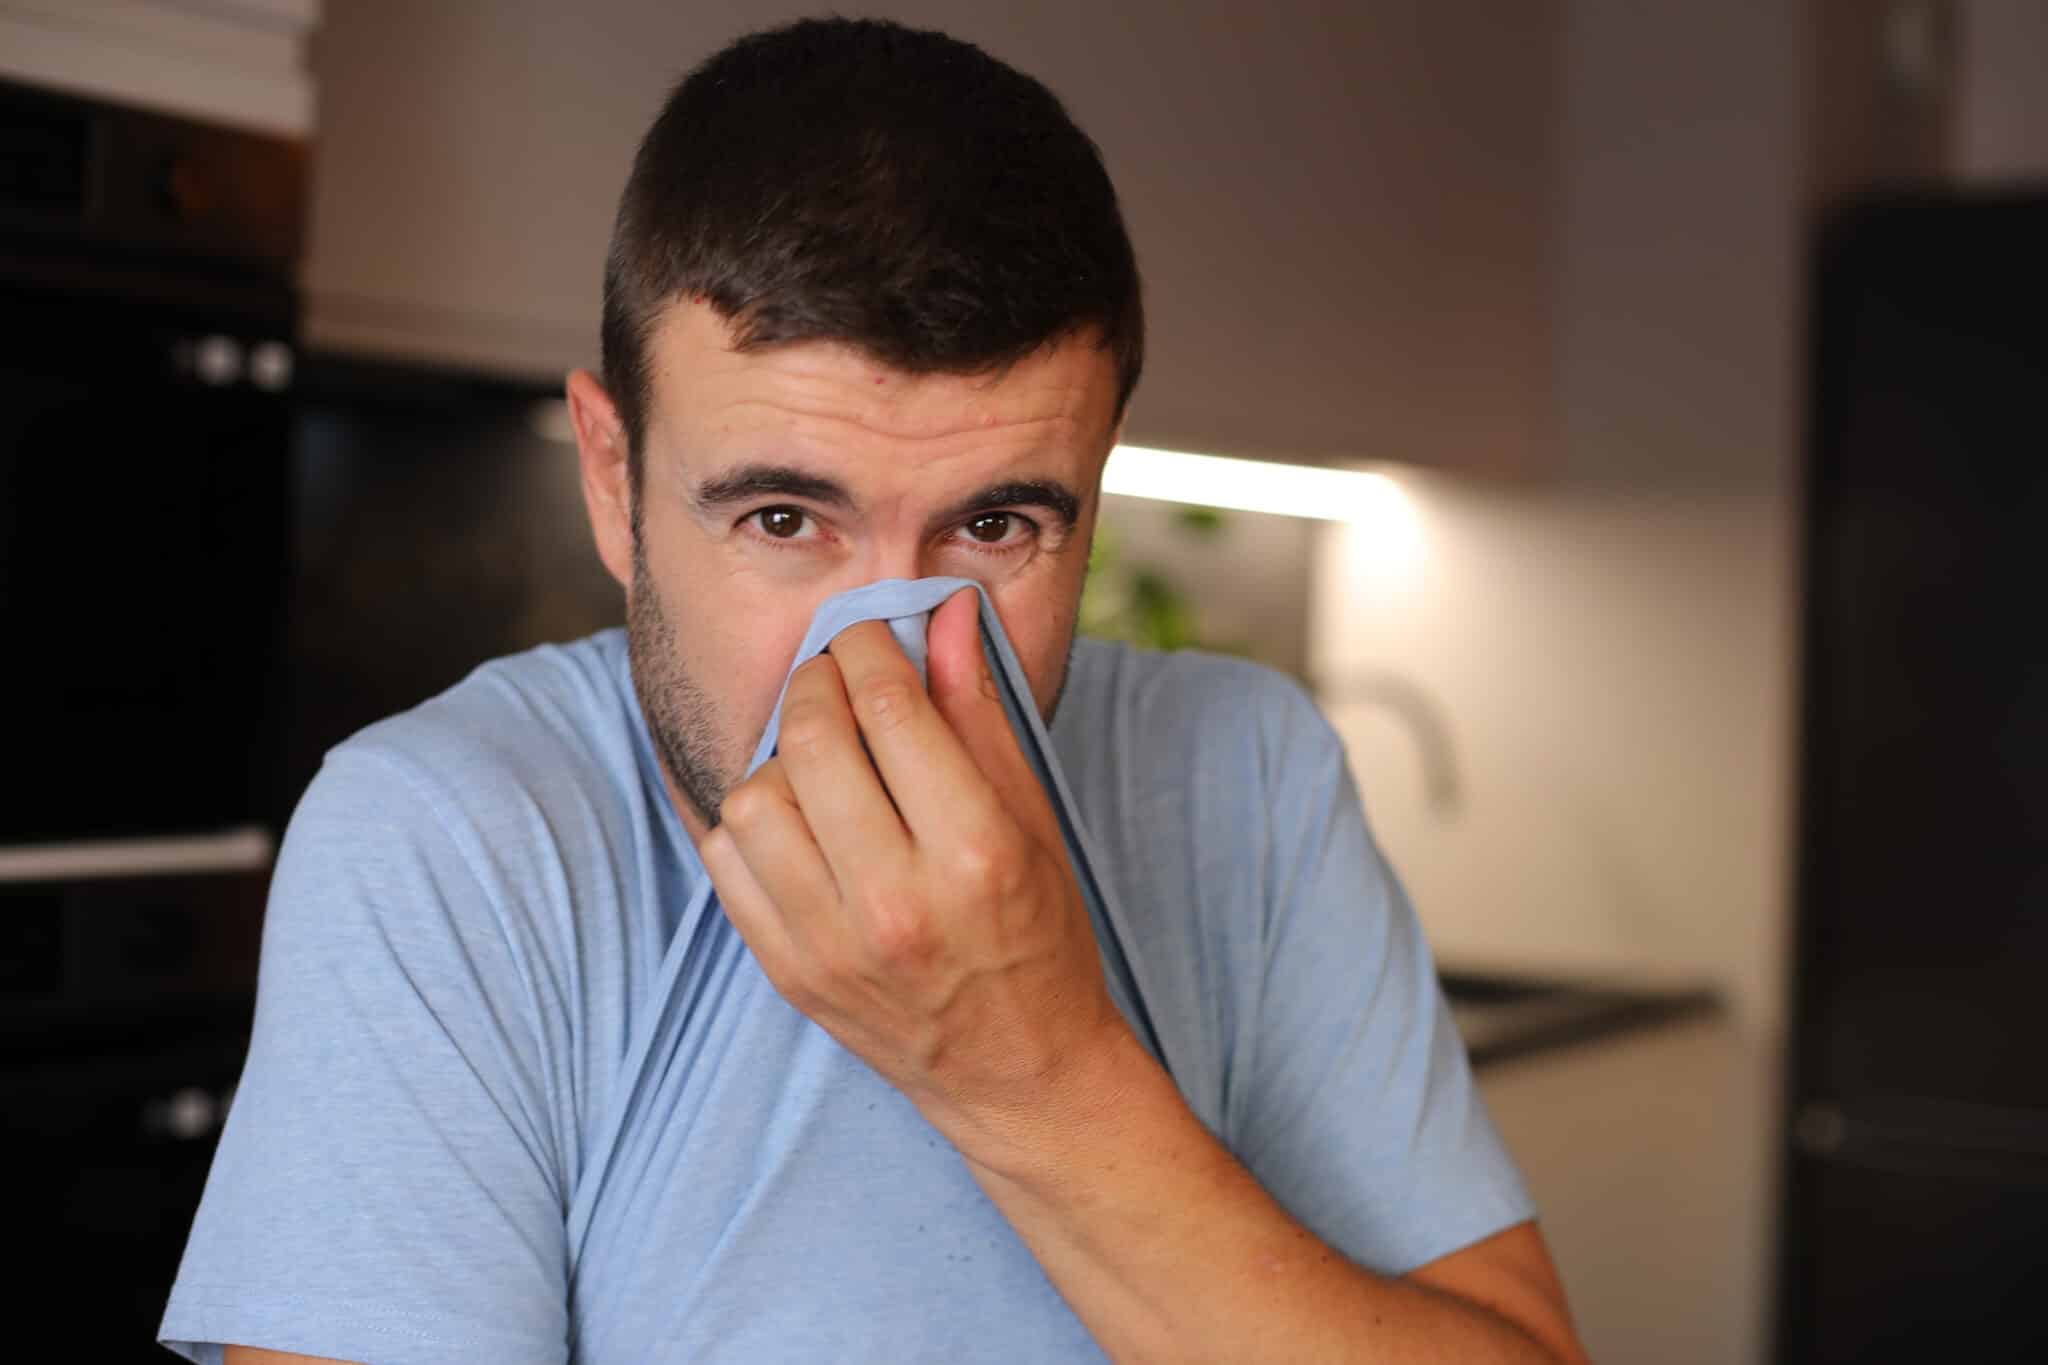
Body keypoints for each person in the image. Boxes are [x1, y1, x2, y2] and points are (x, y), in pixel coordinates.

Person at [162, 16, 1585, 1364]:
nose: (882, 655)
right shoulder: (450, 841)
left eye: (995, 528)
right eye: (785, 520)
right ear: (613, 478)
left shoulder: (1246, 773)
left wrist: (1037, 1073)